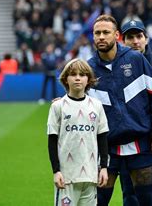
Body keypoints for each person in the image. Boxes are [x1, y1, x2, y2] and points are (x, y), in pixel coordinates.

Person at [87, 14, 152, 206]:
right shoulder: (88, 68)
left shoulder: (136, 59)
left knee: (148, 201)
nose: (101, 37)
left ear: (116, 36)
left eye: (106, 32)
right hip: (106, 147)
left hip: (140, 143)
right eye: (97, 33)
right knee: (98, 201)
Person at [47, 58, 109, 206]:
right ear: (65, 79)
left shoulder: (96, 106)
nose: (77, 78)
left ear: (88, 79)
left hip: (90, 175)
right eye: (73, 74)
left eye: (82, 74)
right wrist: (56, 171)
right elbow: (52, 141)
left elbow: (102, 138)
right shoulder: (58, 107)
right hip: (67, 176)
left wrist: (104, 168)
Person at [121, 19, 152, 205]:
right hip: (127, 139)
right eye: (130, 37)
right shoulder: (117, 66)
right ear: (122, 41)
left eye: (139, 36)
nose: (135, 41)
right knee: (129, 193)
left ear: (146, 39)